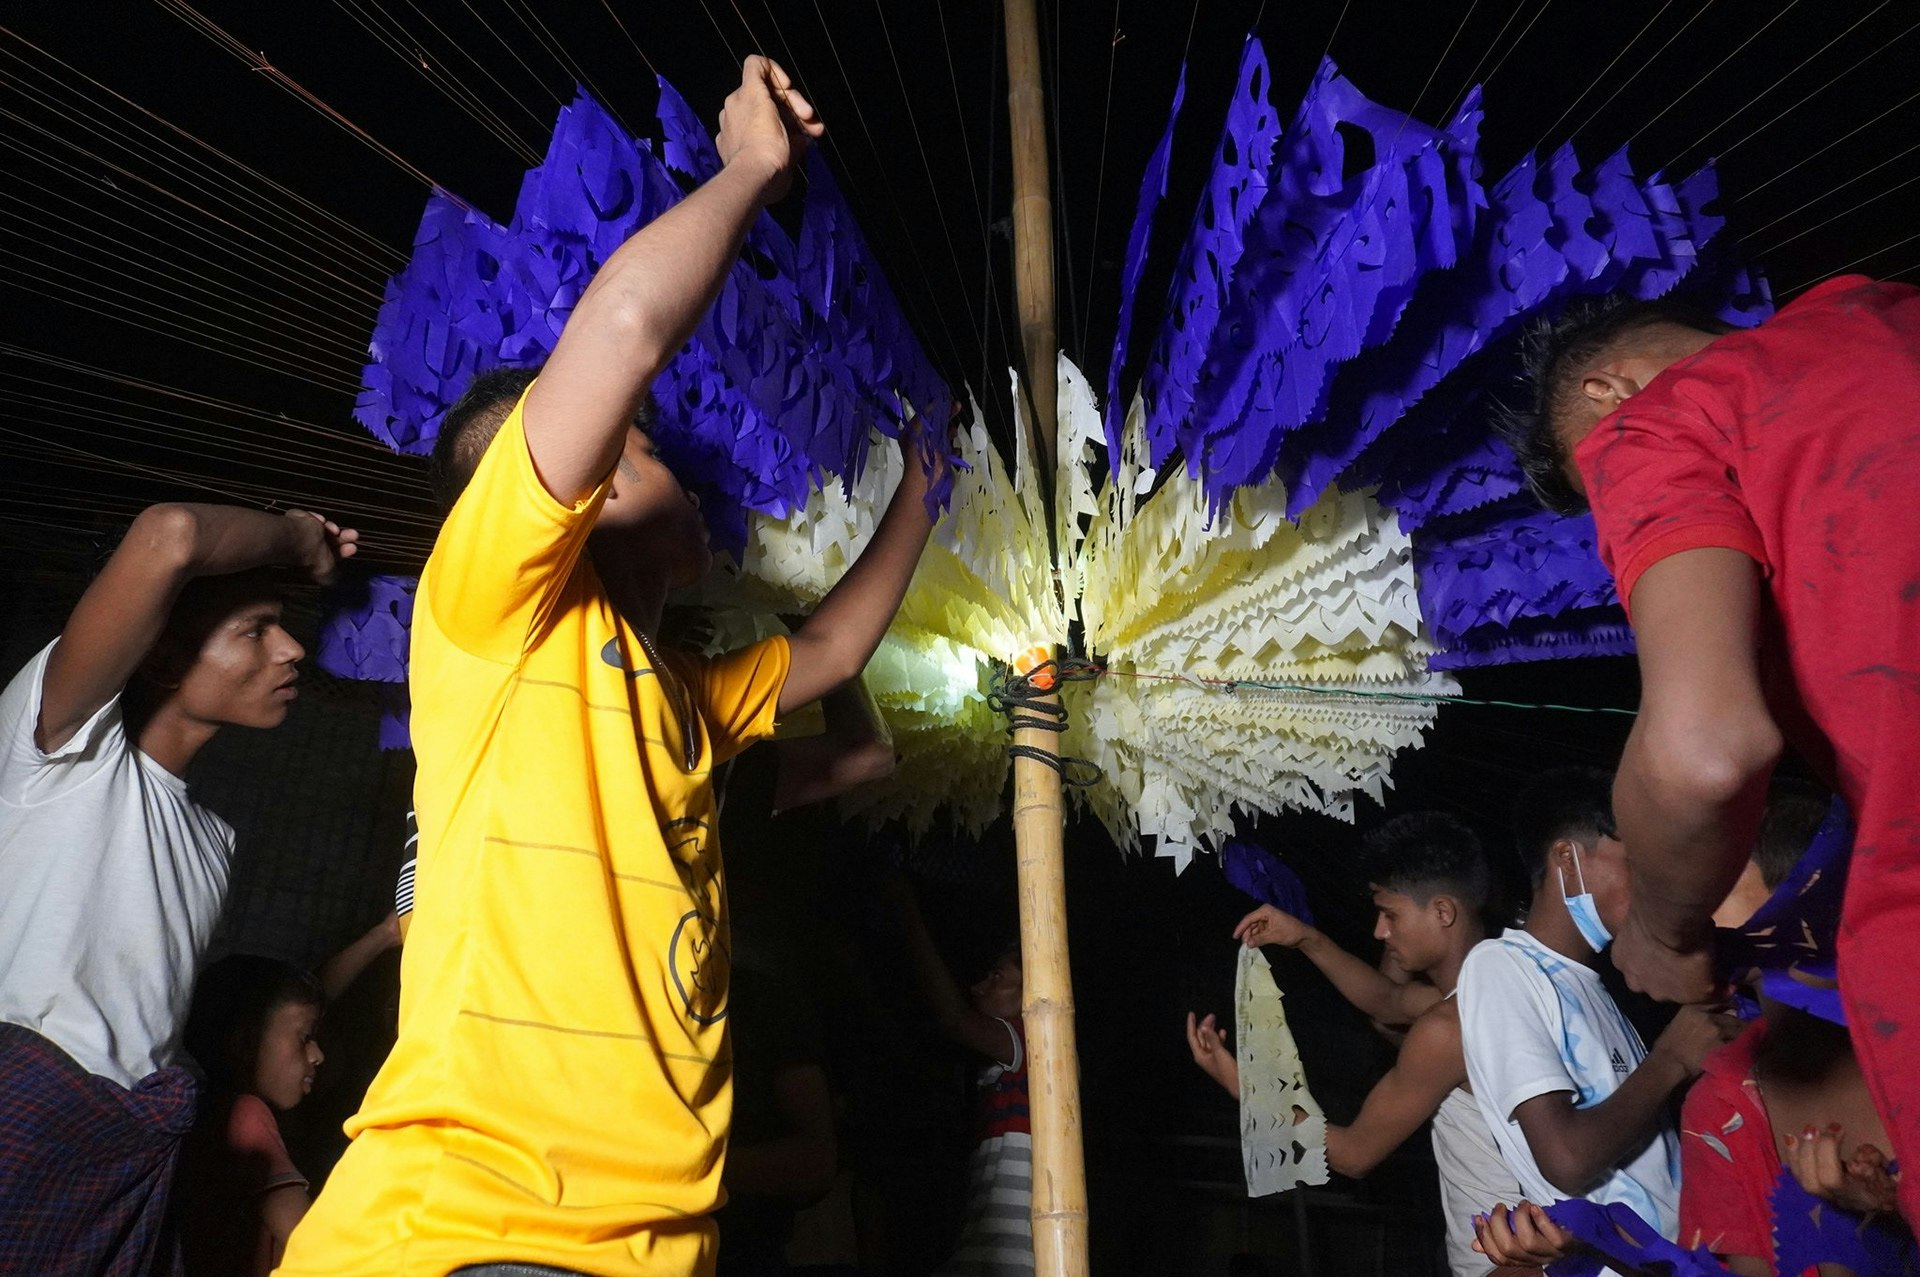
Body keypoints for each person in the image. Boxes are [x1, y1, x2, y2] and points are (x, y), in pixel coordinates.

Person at [279, 56, 945, 1277]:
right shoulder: (491, 610)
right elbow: (625, 330)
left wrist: (924, 489)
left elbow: (842, 647)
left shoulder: (683, 696)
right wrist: (750, 171)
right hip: (472, 1230)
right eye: (632, 450)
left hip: (638, 1248)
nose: (673, 468)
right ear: (562, 502)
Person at [1503, 277, 1920, 1222]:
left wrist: (1663, 928)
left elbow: (1702, 750)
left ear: (1608, 394)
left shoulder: (1649, 424)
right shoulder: (1879, 309)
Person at [0, 501, 354, 1275]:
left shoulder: (211, 841)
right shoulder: (60, 753)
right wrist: (298, 539)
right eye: (256, 629)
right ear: (161, 656)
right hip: (27, 1119)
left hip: (130, 1152)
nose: (293, 648)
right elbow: (172, 535)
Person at [1186, 814, 1528, 1277]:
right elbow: (1386, 1000)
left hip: (1509, 1260)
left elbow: (1352, 1155)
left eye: (1391, 915)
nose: (1380, 933)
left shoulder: (1450, 1028)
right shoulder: (1504, 987)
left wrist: (1242, 1086)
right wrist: (1306, 938)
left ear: (1443, 912)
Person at [1457, 768, 1735, 1260]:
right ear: (1568, 858)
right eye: (1637, 862)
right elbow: (1566, 1159)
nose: (1655, 884)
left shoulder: (1592, 983)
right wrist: (1671, 1059)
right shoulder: (1499, 967)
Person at [886, 873, 1031, 1277]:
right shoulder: (997, 1072)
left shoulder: (1030, 1042)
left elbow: (955, 1020)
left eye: (997, 978)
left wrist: (909, 916)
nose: (978, 987)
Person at [177, 957, 329, 1277]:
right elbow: (311, 1244)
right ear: (246, 1043)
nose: (317, 1055)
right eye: (304, 1038)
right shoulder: (246, 1115)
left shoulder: (202, 1113)